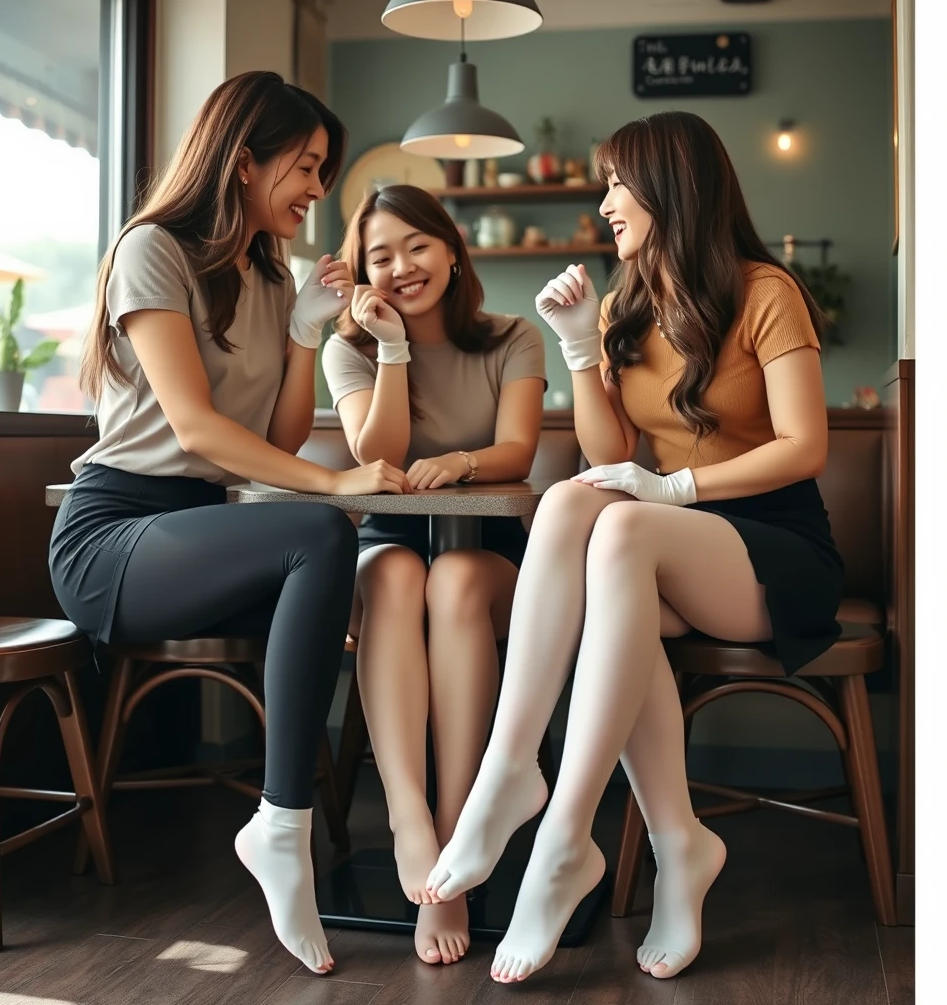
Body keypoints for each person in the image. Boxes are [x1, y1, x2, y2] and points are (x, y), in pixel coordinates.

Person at [424, 110, 845, 984]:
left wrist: (677, 488)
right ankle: (656, 833)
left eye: (619, 181)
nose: (607, 199)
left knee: (617, 523)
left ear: (672, 188)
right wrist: (583, 347)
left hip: (774, 548)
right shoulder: (626, 306)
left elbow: (805, 446)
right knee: (582, 504)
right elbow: (611, 460)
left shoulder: (766, 292)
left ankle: (562, 836)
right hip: (666, 540)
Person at [48, 71, 410, 976]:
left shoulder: (268, 270)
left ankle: (382, 826)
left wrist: (303, 332)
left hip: (199, 530)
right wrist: (334, 487)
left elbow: (277, 435)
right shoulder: (152, 250)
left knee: (372, 566)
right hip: (114, 539)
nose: (319, 190)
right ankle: (283, 824)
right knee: (324, 532)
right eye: (309, 167)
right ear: (243, 159)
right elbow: (198, 429)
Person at [321, 184, 546, 966]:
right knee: (393, 579)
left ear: (452, 248)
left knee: (451, 579)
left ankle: (456, 843)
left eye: (416, 246)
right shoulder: (348, 347)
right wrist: (390, 349)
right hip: (390, 543)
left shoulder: (513, 337)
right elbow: (371, 460)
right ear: (360, 273)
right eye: (379, 256)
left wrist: (461, 461)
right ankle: (407, 817)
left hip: (493, 555)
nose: (401, 267)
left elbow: (518, 452)